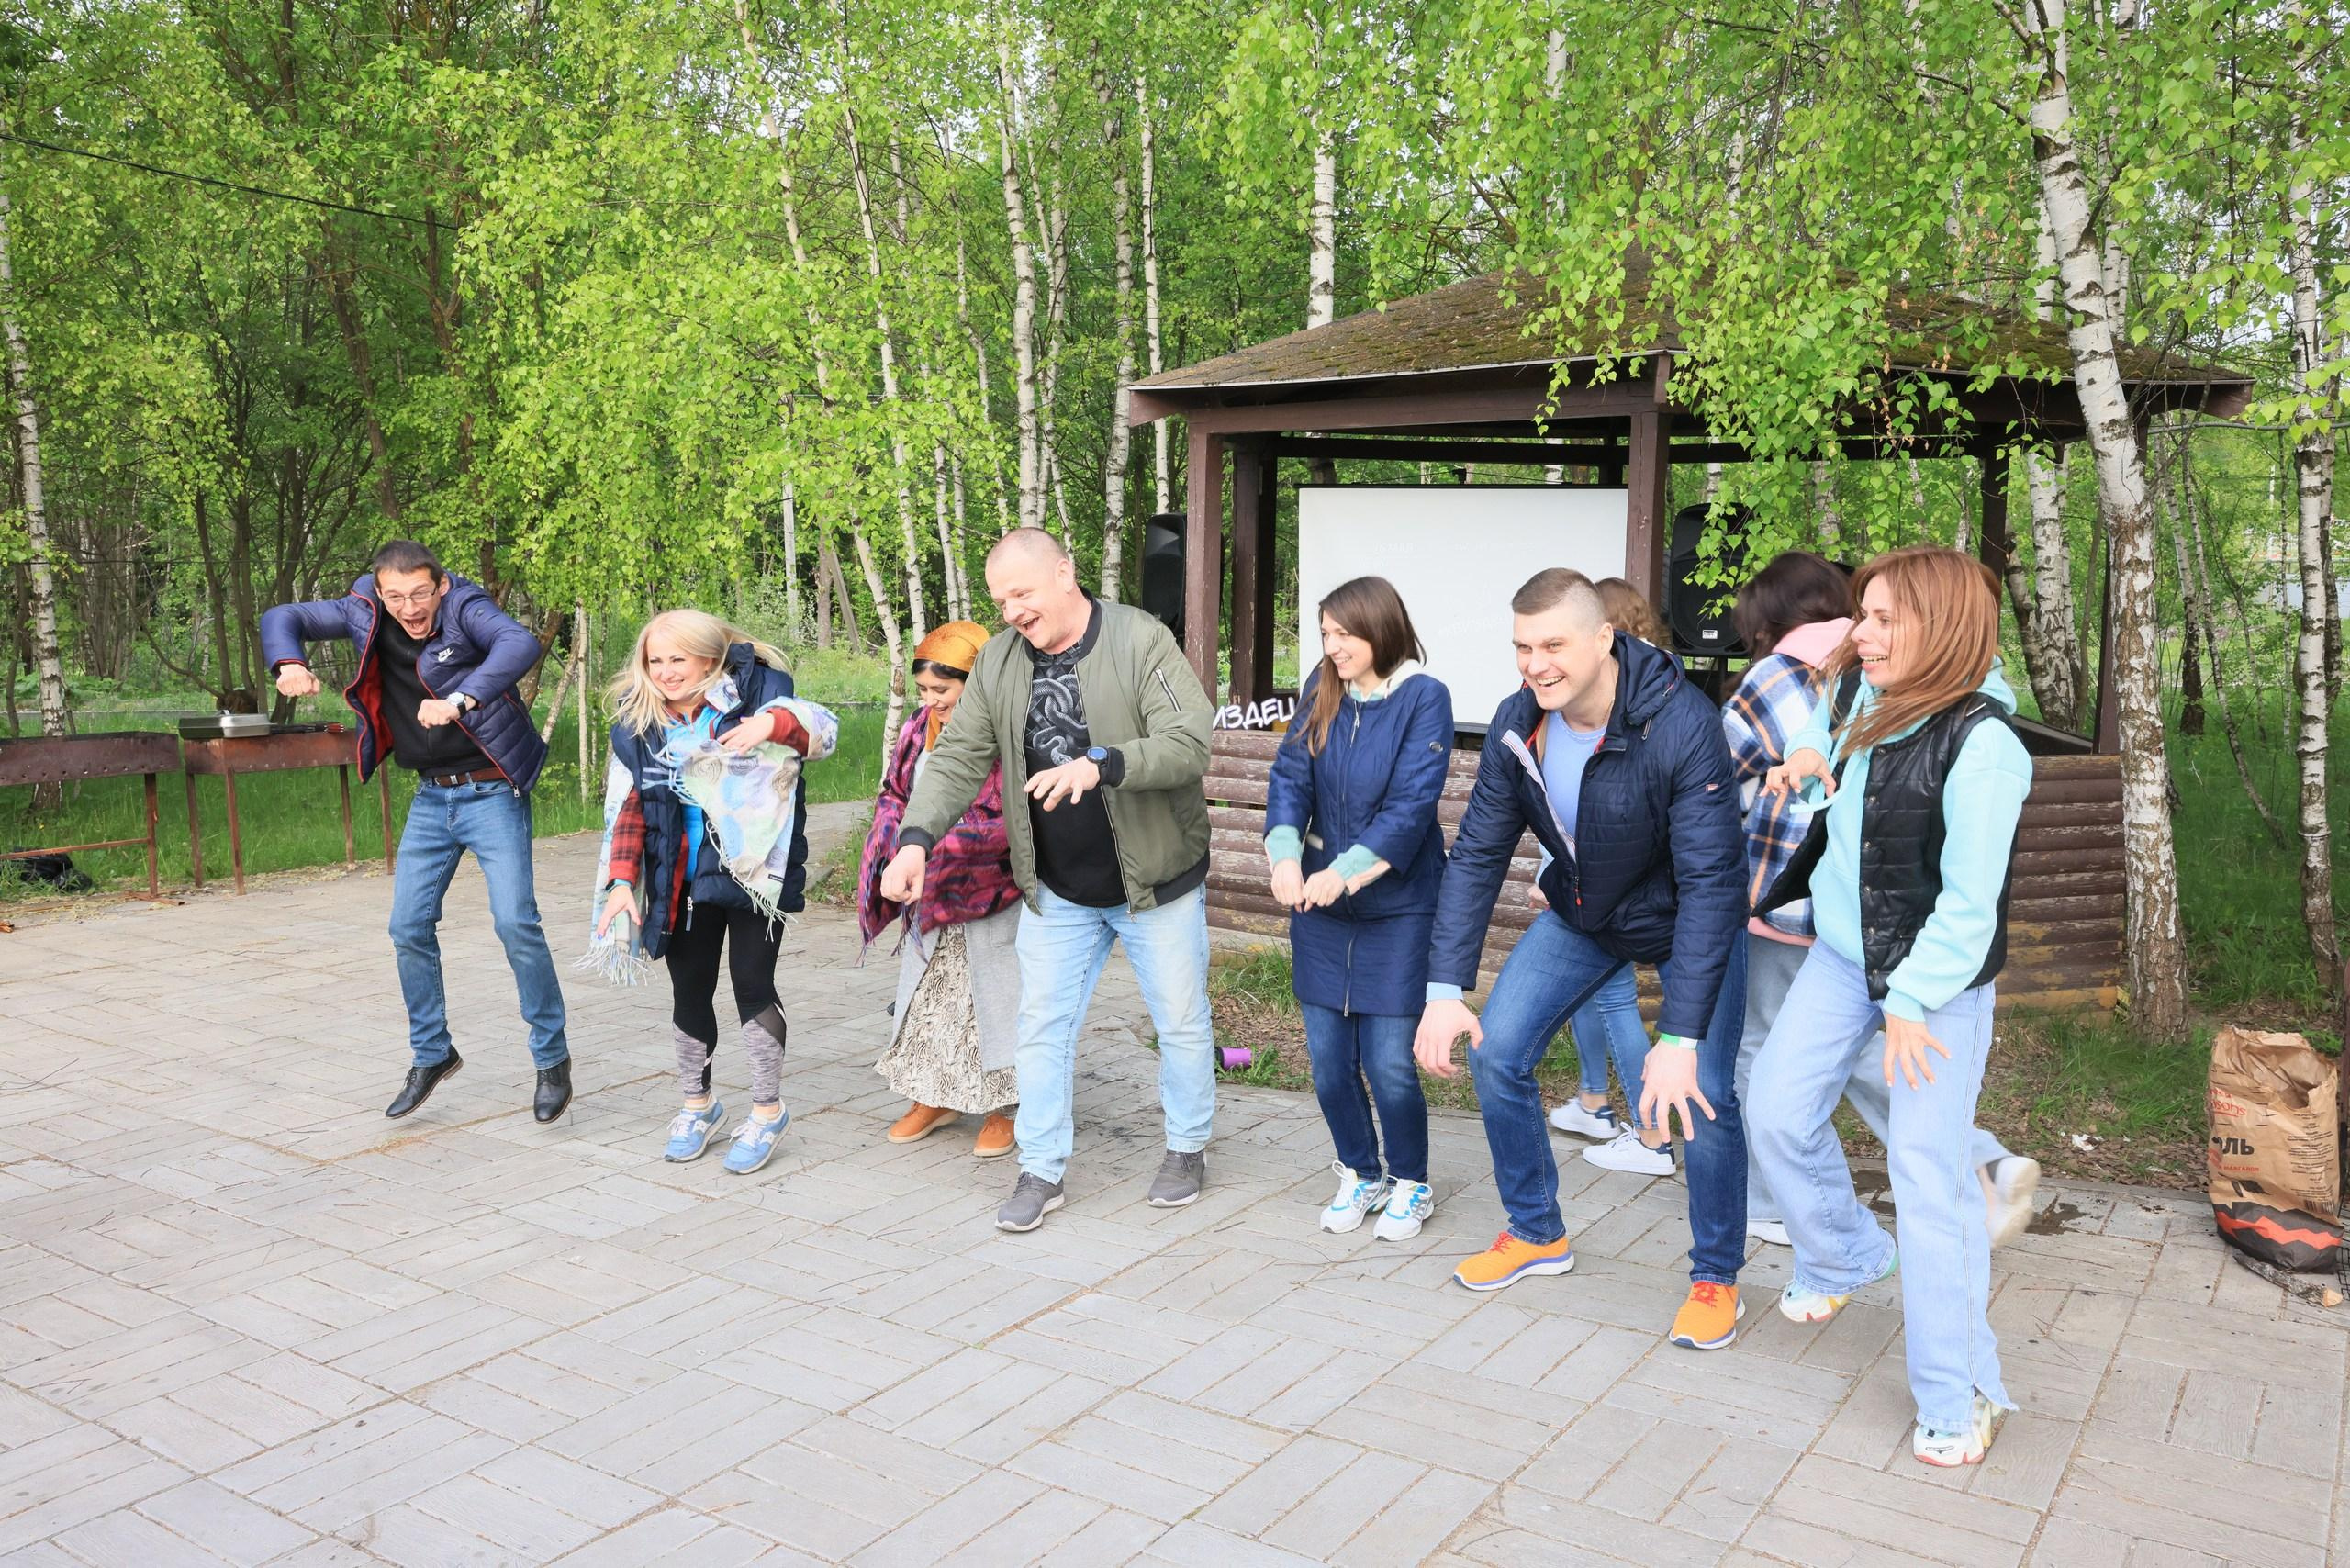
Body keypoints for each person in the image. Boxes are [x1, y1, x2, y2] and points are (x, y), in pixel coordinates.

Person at [1414, 568, 1751, 1351]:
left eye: (1554, 644)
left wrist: (1680, 1038)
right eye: (1523, 646)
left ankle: (1716, 1278)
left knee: (1700, 1095)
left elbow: (1710, 884)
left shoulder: (1681, 724)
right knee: (1498, 1055)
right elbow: (1476, 855)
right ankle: (1537, 1234)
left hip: (1689, 923)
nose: (1537, 664)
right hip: (1586, 911)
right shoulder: (1518, 722)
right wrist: (1441, 987)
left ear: (1606, 639)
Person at [1747, 545, 2032, 1468]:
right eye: (1860, 614)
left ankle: (1962, 1395)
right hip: (1840, 952)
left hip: (1934, 983)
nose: (1857, 633)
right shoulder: (1870, 696)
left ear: (1941, 626)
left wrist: (1910, 998)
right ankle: (1841, 1254)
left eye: (1880, 619)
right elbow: (1833, 745)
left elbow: (1968, 903)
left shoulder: (1986, 746)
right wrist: (1803, 757)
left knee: (1928, 1177)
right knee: (1776, 1108)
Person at [878, 528, 1217, 1233]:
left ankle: (1187, 1148)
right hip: (1059, 886)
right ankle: (1041, 1168)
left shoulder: (1139, 638)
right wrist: (915, 842)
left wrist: (1101, 764)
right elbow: (958, 758)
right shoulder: (1002, 659)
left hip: (1153, 880)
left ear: (1065, 574)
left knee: (1180, 1025)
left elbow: (1189, 741)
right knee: (1041, 1027)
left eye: (1023, 594)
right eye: (1001, 600)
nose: (1011, 612)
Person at [261, 540, 573, 1123]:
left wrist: (460, 697)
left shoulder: (466, 608)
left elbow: (519, 642)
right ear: (380, 592)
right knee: (407, 927)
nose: (410, 607)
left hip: (490, 791)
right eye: (396, 596)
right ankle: (433, 1054)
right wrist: (290, 662)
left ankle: (552, 1059)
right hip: (432, 798)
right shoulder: (363, 610)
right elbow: (285, 617)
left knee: (515, 922)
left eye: (421, 594)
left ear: (441, 587)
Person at [594, 610, 837, 1175]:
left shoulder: (759, 695)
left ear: (709, 658)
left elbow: (820, 731)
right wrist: (622, 883)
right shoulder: (640, 724)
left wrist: (770, 726)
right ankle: (697, 1106)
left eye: (679, 659)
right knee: (690, 990)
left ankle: (767, 1110)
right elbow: (631, 809)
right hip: (677, 876)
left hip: (755, 872)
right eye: (656, 661)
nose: (667, 672)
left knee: (753, 986)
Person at [1263, 577, 1452, 1241]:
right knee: (1326, 1060)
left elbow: (1410, 809)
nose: (1332, 647)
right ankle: (1359, 1171)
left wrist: (1340, 875)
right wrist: (1285, 856)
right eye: (1325, 635)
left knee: (1390, 1064)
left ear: (1379, 629)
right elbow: (1289, 777)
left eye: (1343, 634)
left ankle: (1410, 1181)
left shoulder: (1423, 698)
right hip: (1319, 910)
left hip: (1397, 909)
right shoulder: (1322, 689)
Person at [858, 621, 1022, 1159]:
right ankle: (935, 1095)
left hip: (992, 889)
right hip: (930, 892)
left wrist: (935, 855)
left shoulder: (1007, 732)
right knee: (933, 995)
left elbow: (1006, 819)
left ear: (976, 683)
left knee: (994, 998)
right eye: (923, 692)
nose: (930, 703)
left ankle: (1009, 1108)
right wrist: (893, 846)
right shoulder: (918, 728)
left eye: (942, 692)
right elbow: (894, 792)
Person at [1546, 577, 1675, 1179]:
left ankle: (1652, 1134)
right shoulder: (1645, 682)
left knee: (1616, 998)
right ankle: (1595, 1102)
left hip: (1618, 881)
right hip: (1589, 872)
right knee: (1592, 993)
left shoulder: (1640, 701)